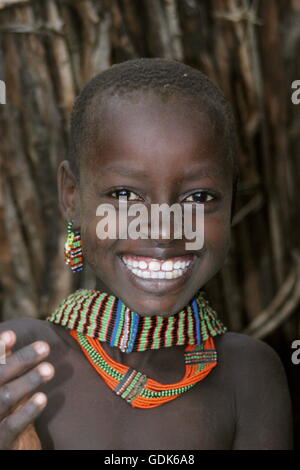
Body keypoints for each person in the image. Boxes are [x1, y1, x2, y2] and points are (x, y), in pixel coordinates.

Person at [0, 58, 293, 450]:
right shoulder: (20, 361)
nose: (163, 227)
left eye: (198, 197)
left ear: (232, 200)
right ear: (72, 195)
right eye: (124, 195)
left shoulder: (249, 375)